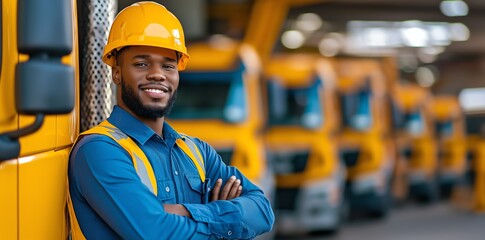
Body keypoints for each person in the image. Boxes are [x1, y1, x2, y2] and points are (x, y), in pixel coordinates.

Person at [67, 1, 274, 239]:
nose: (157, 74)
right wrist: (223, 218)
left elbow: (263, 210)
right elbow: (155, 233)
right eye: (141, 64)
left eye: (168, 65)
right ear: (116, 72)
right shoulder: (98, 151)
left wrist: (182, 212)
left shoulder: (197, 152)